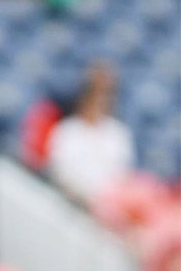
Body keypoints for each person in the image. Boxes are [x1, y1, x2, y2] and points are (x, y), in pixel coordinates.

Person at [47, 61, 135, 204]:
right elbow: (60, 172)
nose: (100, 100)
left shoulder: (118, 133)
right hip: (68, 203)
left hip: (106, 208)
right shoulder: (67, 130)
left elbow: (121, 176)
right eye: (95, 92)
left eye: (106, 94)